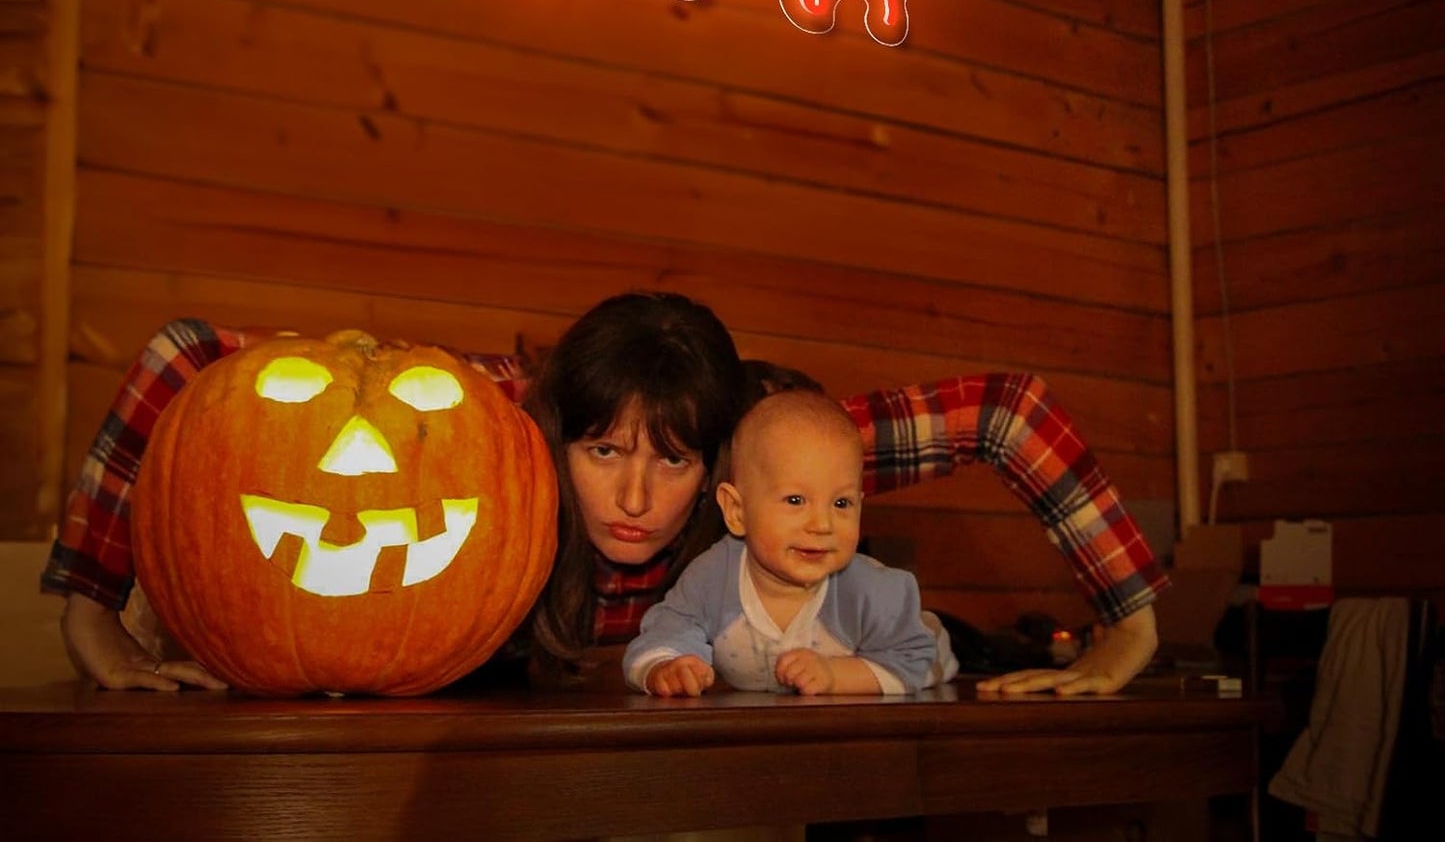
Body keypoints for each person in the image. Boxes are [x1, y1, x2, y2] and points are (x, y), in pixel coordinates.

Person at [42, 291, 1166, 696]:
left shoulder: (758, 445)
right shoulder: (483, 420)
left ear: (718, 474)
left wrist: (1129, 628)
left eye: (670, 461)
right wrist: (95, 618)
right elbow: (187, 356)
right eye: (601, 451)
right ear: (554, 429)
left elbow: (1006, 410)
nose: (631, 493)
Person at [624, 388, 956, 697]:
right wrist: (665, 666)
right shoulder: (714, 576)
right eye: (796, 500)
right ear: (737, 511)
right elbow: (666, 629)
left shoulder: (870, 590)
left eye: (841, 504)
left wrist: (835, 675)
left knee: (923, 636)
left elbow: (914, 661)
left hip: (920, 647)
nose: (822, 524)